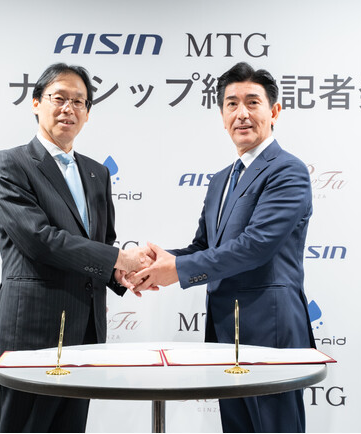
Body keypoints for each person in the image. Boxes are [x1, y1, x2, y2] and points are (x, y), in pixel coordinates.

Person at [132, 62, 316, 433]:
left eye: (252, 102)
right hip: (225, 334)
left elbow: (256, 246)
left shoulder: (287, 170)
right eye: (232, 104)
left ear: (274, 111)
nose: (241, 113)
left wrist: (177, 271)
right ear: (222, 115)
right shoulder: (220, 180)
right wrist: (156, 263)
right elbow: (203, 246)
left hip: (270, 331)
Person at [0, 63, 152, 433]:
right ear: (36, 103)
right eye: (58, 98)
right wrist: (117, 258)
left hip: (83, 337)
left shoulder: (97, 172)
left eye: (79, 101)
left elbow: (101, 243)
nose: (68, 109)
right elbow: (38, 239)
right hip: (30, 337)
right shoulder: (9, 164)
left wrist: (122, 273)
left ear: (87, 113)